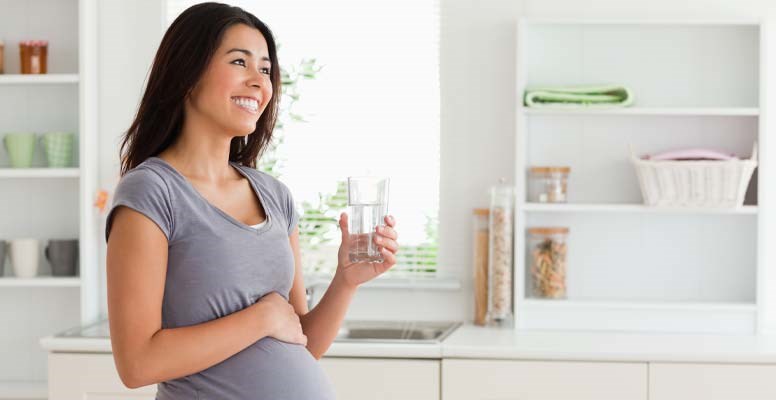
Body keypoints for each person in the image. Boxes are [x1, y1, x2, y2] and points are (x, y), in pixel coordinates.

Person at [104, 3, 400, 399]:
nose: (259, 81)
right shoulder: (153, 193)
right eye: (240, 62)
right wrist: (260, 317)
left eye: (265, 69)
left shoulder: (275, 196)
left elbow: (303, 341)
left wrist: (346, 282)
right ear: (187, 74)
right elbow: (137, 363)